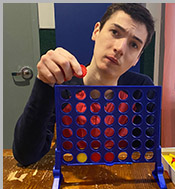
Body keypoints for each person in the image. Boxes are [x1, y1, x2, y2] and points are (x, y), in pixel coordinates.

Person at [13, 3, 155, 166]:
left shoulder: (141, 89)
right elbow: (25, 155)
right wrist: (44, 84)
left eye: (134, 44)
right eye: (115, 32)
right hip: (70, 182)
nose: (119, 48)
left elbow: (146, 156)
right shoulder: (62, 84)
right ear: (97, 31)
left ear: (137, 58)